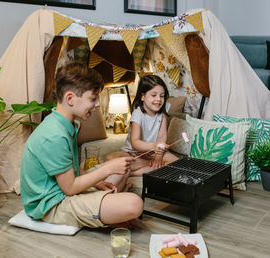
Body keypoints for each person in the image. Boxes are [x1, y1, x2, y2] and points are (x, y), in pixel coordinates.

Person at [20, 63, 143, 229]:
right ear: (70, 98)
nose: (98, 104)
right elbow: (69, 188)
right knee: (134, 204)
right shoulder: (54, 135)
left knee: (125, 166)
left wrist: (97, 183)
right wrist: (107, 170)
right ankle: (108, 209)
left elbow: (71, 171)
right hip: (52, 204)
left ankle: (107, 207)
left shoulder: (66, 124)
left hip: (65, 186)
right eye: (93, 99)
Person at [105, 75, 178, 176]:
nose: (158, 99)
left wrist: (159, 154)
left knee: (177, 163)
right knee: (109, 159)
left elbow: (161, 137)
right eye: (153, 95)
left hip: (153, 153)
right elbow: (135, 143)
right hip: (133, 153)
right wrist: (153, 146)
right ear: (143, 96)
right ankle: (150, 166)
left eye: (162, 96)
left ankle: (135, 172)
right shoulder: (137, 114)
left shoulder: (163, 111)